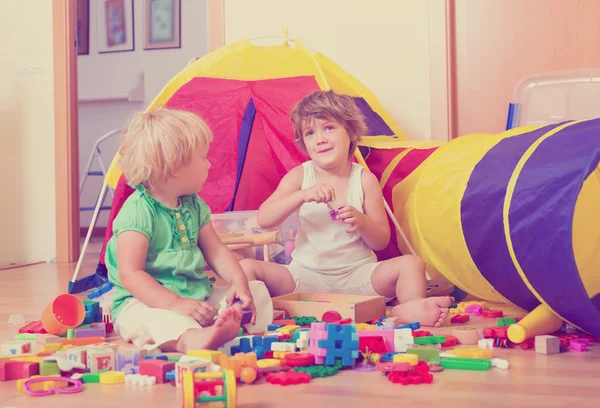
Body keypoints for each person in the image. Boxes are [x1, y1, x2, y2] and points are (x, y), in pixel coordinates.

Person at [241, 90, 451, 327]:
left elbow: (381, 241)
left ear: (351, 132)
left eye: (328, 128)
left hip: (357, 276)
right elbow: (264, 218)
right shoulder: (300, 176)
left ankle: (410, 307)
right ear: (304, 143)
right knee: (246, 267)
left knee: (412, 264)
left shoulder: (363, 179)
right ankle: (251, 314)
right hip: (306, 276)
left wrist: (362, 222)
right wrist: (302, 195)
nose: (320, 138)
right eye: (310, 133)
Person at [106, 107, 267, 352]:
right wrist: (174, 303)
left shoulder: (194, 204)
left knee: (257, 291)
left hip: (194, 297)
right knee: (159, 322)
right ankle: (194, 338)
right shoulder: (138, 211)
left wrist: (239, 282)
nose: (209, 164)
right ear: (176, 167)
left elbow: (217, 252)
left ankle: (227, 323)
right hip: (143, 302)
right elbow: (131, 274)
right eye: (203, 157)